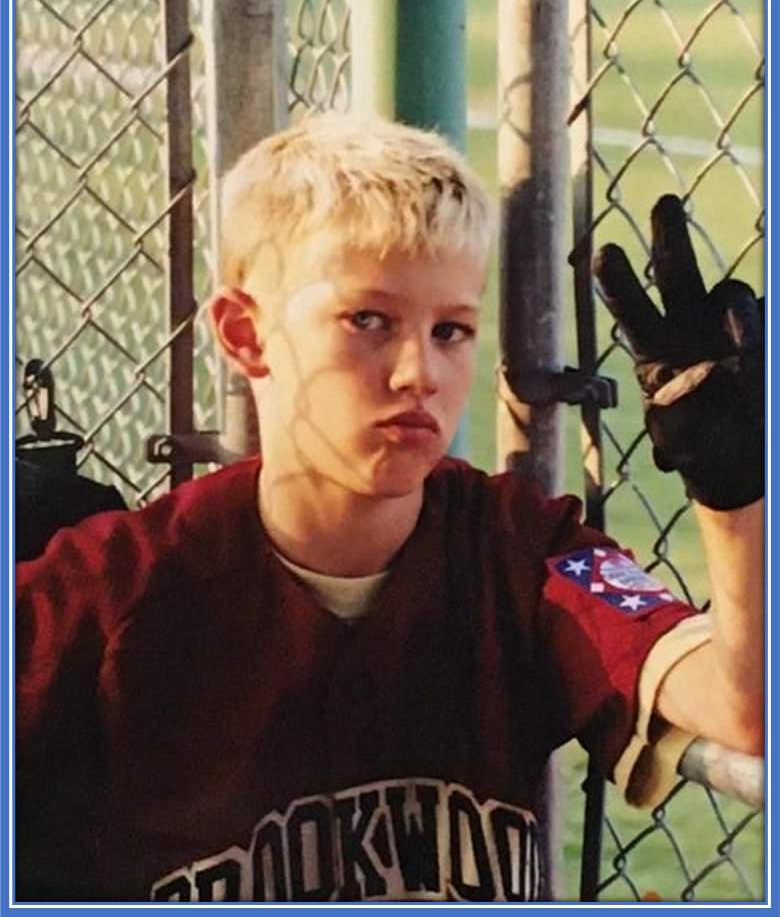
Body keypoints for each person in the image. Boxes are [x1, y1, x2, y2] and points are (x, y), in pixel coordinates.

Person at [16, 114, 764, 903]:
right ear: (247, 334)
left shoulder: (518, 551)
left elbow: (743, 707)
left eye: (452, 330)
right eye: (367, 320)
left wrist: (734, 490)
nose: (421, 372)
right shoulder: (106, 590)